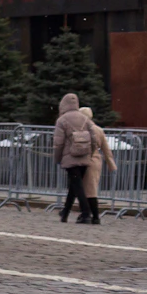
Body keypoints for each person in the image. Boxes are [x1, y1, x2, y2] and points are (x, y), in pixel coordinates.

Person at [54, 91, 95, 223]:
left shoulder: (62, 120)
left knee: (77, 186)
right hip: (84, 155)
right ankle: (65, 213)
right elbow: (93, 138)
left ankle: (86, 213)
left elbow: (58, 143)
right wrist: (91, 153)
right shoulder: (85, 119)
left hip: (70, 156)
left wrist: (57, 158)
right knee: (74, 185)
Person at [78, 106, 115, 225]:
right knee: (89, 188)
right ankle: (88, 214)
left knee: (87, 190)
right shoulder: (99, 130)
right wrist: (111, 164)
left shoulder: (81, 129)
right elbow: (106, 149)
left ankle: (93, 215)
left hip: (84, 159)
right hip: (95, 160)